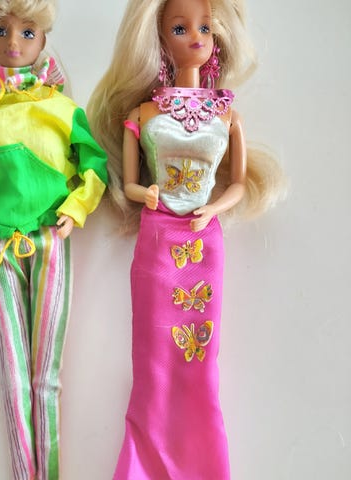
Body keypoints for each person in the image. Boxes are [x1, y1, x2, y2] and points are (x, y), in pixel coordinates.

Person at [87, 0, 285, 478]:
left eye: (205, 28)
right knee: (153, 359)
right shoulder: (142, 113)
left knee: (199, 361)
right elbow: (130, 184)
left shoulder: (228, 115)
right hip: (158, 238)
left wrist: (213, 208)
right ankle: (144, 461)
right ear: (158, 39)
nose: (196, 37)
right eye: (180, 28)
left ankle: (202, 463)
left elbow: (237, 184)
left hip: (203, 242)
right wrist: (145, 192)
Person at [0, 1, 108, 479]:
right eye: (1, 30)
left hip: (51, 238)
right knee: (12, 372)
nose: (13, 42)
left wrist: (76, 208)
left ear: (44, 39)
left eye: (27, 32)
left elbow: (94, 165)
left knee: (45, 374)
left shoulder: (62, 109)